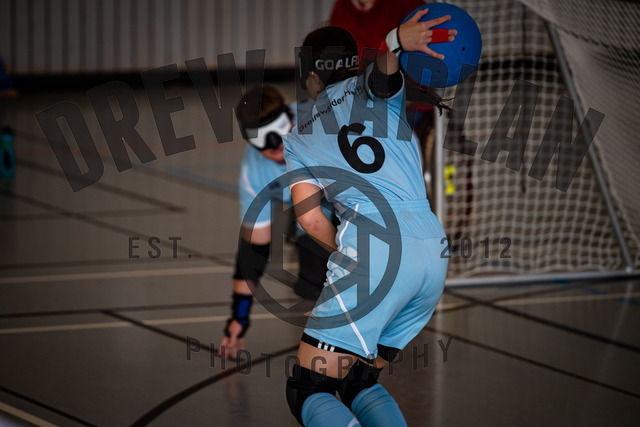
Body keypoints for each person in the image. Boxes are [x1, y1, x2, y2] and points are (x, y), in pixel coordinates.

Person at [283, 10, 455, 426]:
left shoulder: (299, 136)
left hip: (375, 255)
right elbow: (384, 72)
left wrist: (350, 255)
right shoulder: (372, 89)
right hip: (433, 251)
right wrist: (395, 42)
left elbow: (311, 221)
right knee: (358, 380)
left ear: (311, 77)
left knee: (309, 388)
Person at [218, 85, 331, 359]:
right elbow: (253, 250)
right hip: (311, 210)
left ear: (290, 118)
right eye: (264, 141)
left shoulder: (320, 125)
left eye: (280, 134)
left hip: (347, 196)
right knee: (311, 283)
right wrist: (238, 317)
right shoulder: (254, 172)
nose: (277, 146)